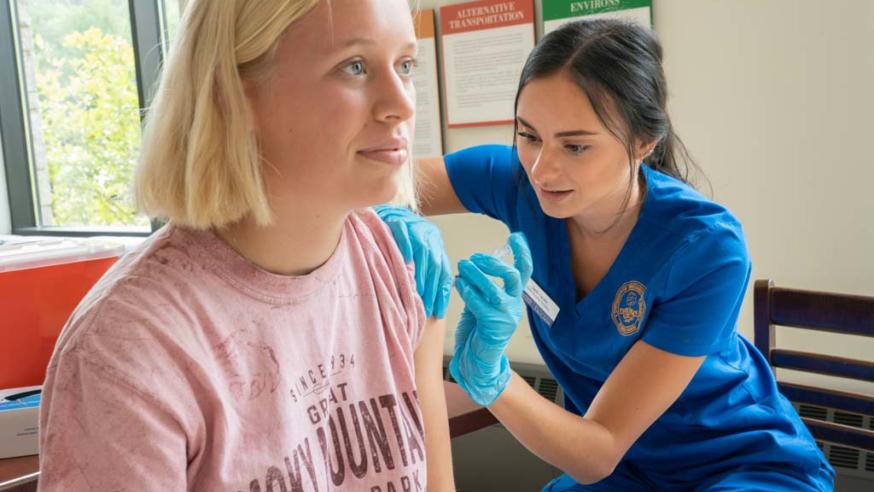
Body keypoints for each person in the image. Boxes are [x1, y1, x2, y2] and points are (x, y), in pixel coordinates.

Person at [378, 18, 834, 491]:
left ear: (643, 142)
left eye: (575, 146)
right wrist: (392, 217)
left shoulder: (707, 248)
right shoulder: (514, 181)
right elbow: (361, 184)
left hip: (739, 465)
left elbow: (598, 450)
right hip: (629, 472)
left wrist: (491, 378)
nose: (541, 168)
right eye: (529, 135)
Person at [38, 1, 454, 490]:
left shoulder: (391, 263)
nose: (402, 103)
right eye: (354, 67)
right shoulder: (131, 348)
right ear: (232, 94)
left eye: (405, 65)